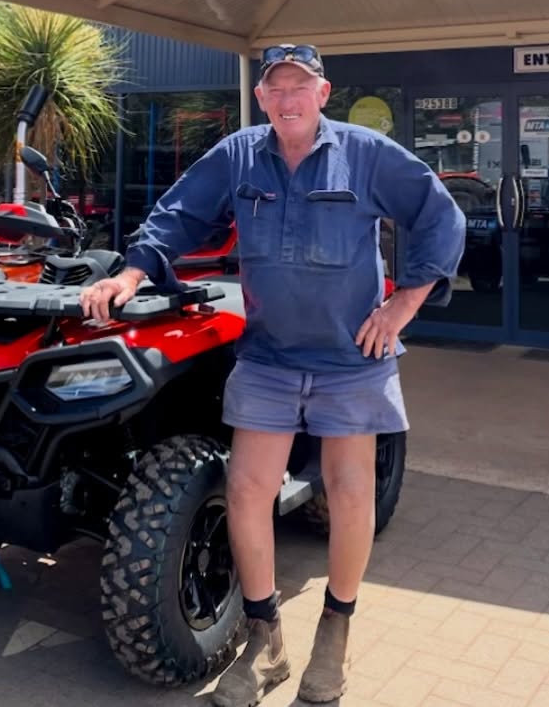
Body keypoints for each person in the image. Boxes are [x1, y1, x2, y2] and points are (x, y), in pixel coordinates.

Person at [79, 44, 466, 706]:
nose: (288, 98)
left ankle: (335, 635)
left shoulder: (365, 153)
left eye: (301, 86)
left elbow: (440, 213)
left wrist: (403, 304)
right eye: (276, 87)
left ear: (324, 92)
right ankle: (266, 640)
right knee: (248, 487)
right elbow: (178, 214)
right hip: (269, 356)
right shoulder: (237, 156)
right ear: (261, 97)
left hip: (351, 358)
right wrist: (132, 270)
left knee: (349, 491)